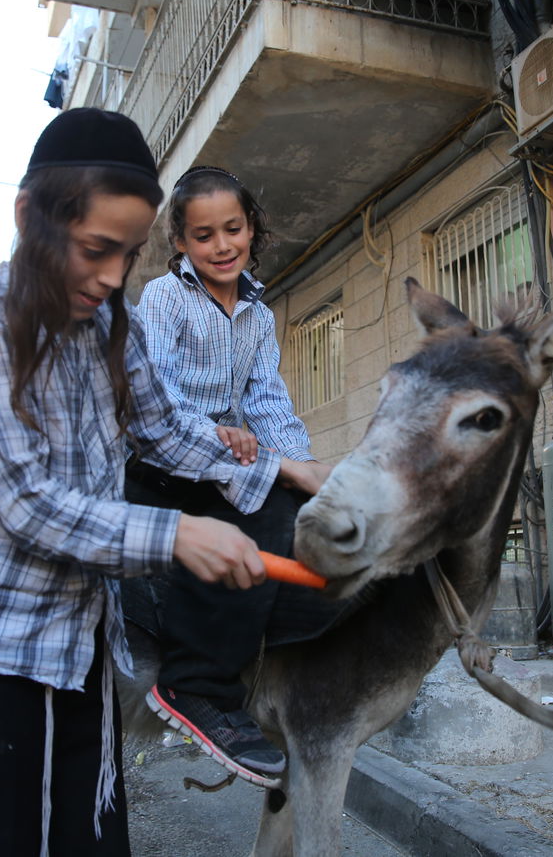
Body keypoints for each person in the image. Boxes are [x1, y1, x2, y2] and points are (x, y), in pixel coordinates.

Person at [0, 110, 326, 856]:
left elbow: (164, 428)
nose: (113, 277)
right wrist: (180, 534)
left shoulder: (107, 320)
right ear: (31, 217)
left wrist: (276, 465)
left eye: (127, 255)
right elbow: (30, 505)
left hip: (76, 646)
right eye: (97, 250)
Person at [128, 165, 328, 788]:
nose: (222, 246)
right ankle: (197, 687)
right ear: (182, 244)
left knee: (301, 513)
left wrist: (304, 466)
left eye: (232, 230)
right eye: (204, 235)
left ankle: (275, 675)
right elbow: (158, 398)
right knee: (260, 515)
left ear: (251, 229)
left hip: (232, 458)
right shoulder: (164, 298)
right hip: (169, 459)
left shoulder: (258, 313)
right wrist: (225, 437)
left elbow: (266, 401)